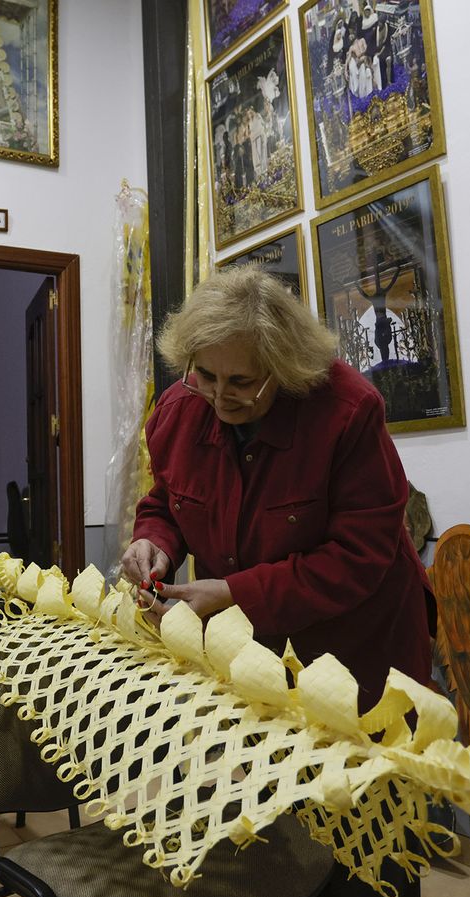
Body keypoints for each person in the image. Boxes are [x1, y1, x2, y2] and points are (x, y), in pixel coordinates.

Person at [120, 265, 434, 709]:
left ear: (284, 368)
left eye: (242, 382)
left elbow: (358, 555)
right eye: (206, 375)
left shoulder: (347, 412)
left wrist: (235, 593)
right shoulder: (177, 411)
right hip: (250, 650)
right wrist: (154, 542)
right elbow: (167, 501)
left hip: (357, 651)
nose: (219, 396)